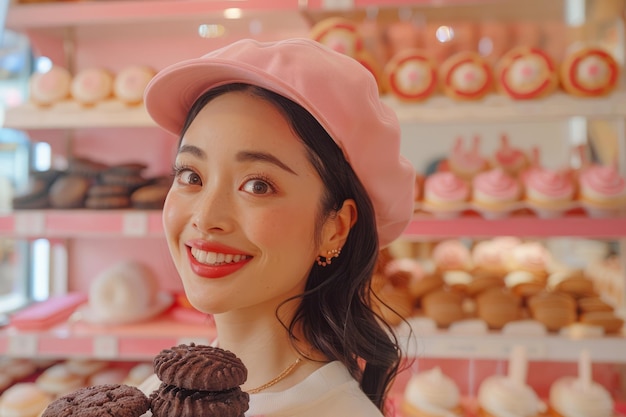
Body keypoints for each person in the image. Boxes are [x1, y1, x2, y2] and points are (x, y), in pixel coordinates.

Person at [139, 37, 415, 416]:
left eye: (257, 185)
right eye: (191, 175)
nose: (206, 217)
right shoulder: (159, 388)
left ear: (334, 228)